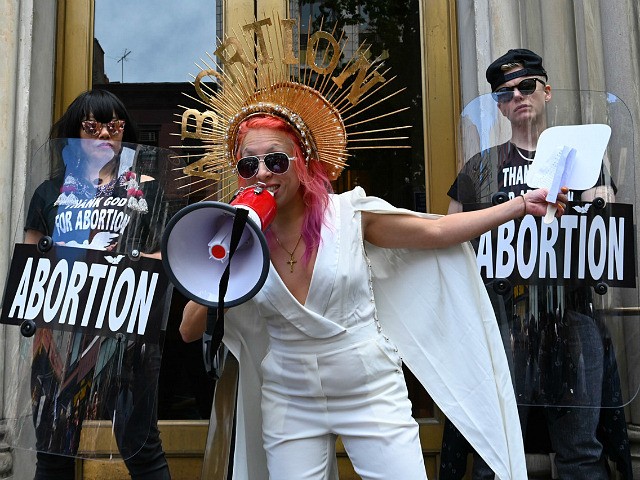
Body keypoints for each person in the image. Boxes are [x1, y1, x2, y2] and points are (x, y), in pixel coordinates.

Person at [178, 114, 567, 479]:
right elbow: (188, 330)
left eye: (277, 161)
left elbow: (435, 231)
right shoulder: (240, 239)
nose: (262, 173)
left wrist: (519, 205)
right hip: (289, 399)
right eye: (249, 166)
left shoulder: (348, 214)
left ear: (302, 162)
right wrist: (226, 253)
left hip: (369, 389)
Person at [441, 49, 631, 479]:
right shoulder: (481, 166)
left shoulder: (580, 158)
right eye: (506, 93)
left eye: (528, 86)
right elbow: (450, 235)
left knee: (581, 449)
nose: (519, 96)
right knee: (495, 448)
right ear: (498, 107)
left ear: (546, 92)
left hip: (571, 313)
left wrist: (590, 201)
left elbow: (603, 221)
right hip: (501, 318)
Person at [24, 89, 171, 479]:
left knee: (141, 448)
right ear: (74, 133)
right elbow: (29, 265)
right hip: (60, 338)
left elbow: (165, 258)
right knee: (53, 453)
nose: (105, 133)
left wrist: (126, 265)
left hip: (127, 338)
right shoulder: (48, 193)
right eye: (93, 125)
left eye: (115, 125)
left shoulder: (146, 189)